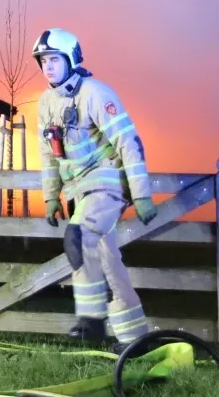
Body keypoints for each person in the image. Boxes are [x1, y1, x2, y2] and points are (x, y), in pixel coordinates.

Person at [33, 27, 158, 352]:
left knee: (77, 238)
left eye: (54, 59)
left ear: (70, 59)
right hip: (80, 191)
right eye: (43, 60)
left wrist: (141, 193)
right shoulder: (45, 103)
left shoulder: (96, 93)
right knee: (107, 259)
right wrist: (50, 196)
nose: (48, 66)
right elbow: (49, 153)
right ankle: (135, 341)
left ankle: (92, 323)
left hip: (107, 184)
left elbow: (128, 142)